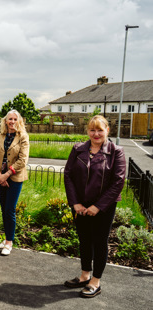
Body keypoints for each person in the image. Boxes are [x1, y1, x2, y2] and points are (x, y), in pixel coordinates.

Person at [63, 115, 126, 298]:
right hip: (80, 205)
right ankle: (84, 275)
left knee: (99, 242)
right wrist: (75, 203)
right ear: (87, 131)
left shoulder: (116, 151)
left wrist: (98, 206)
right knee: (84, 240)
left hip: (103, 207)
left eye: (100, 129)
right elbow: (68, 175)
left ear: (108, 130)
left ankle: (95, 281)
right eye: (92, 130)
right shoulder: (78, 149)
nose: (96, 133)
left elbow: (118, 181)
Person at [0, 109, 29, 256]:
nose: (12, 122)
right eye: (10, 119)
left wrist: (6, 175)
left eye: (15, 119)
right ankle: (6, 239)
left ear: (18, 121)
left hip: (14, 178)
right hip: (0, 177)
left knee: (10, 209)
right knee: (3, 209)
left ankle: (9, 242)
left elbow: (23, 160)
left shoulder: (23, 137)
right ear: (5, 121)